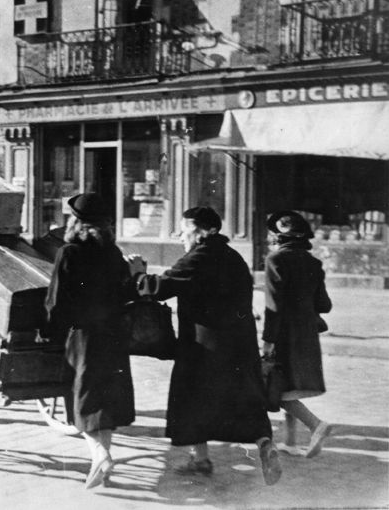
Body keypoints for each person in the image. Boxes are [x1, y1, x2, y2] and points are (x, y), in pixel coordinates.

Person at [128, 206, 282, 485]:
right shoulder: (234, 256)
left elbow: (162, 286)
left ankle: (200, 459)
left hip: (203, 345)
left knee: (191, 398)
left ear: (203, 231)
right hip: (239, 345)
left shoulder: (199, 256)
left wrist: (138, 275)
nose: (180, 236)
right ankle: (264, 444)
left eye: (184, 229)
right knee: (243, 399)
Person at [44, 193, 136, 489]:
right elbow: (125, 292)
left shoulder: (68, 253)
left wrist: (49, 332)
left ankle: (101, 455)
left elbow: (56, 301)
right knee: (105, 402)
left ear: (75, 223)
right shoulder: (113, 253)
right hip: (114, 335)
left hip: (84, 337)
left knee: (82, 401)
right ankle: (101, 460)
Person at [262, 210, 333, 458]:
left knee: (276, 389)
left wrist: (268, 340)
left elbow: (273, 307)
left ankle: (316, 425)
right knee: (287, 386)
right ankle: (290, 441)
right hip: (307, 335)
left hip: (284, 334)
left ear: (278, 237)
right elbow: (324, 304)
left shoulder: (275, 260)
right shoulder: (313, 263)